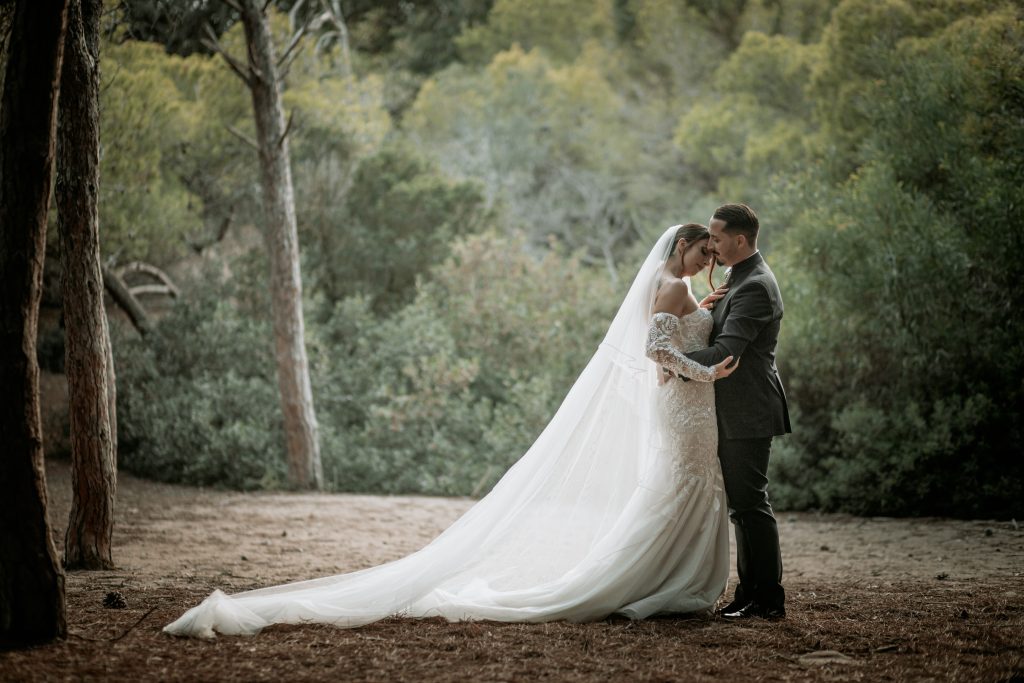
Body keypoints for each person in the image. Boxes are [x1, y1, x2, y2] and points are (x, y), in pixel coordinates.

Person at [164, 223, 738, 638]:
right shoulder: (672, 285)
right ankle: (660, 578)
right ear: (681, 245)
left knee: (677, 486)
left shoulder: (673, 285)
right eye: (701, 249)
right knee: (680, 484)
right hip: (687, 405)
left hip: (684, 406)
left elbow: (668, 340)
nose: (703, 259)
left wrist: (696, 329)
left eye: (710, 251)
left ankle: (667, 576)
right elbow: (655, 347)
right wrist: (706, 368)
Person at [683, 203, 791, 620]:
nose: (710, 245)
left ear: (740, 239)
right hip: (735, 407)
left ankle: (767, 600)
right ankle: (750, 595)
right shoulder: (738, 276)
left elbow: (728, 352)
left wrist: (672, 360)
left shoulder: (756, 285)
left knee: (750, 505)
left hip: (748, 408)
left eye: (716, 237)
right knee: (742, 506)